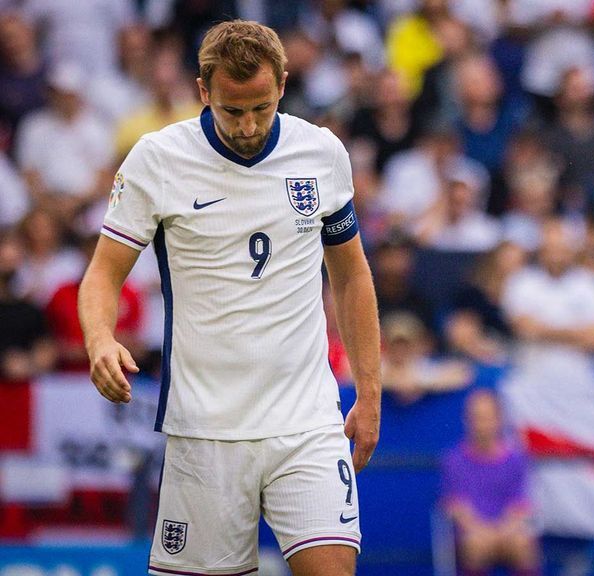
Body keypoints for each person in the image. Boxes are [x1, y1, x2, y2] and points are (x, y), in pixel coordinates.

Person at [77, 21, 381, 576]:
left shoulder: (321, 154)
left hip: (307, 421)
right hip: (205, 429)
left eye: (261, 108)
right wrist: (99, 340)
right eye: (232, 110)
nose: (247, 126)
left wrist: (370, 390)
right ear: (203, 91)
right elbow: (102, 274)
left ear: (284, 84)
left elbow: (352, 276)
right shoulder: (157, 159)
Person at [440, 388, 540, 576]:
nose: (481, 424)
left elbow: (521, 504)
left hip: (508, 531)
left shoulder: (516, 459)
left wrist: (503, 531)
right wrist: (481, 531)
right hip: (472, 533)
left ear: (499, 419)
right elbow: (454, 505)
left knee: (522, 544)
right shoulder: (453, 460)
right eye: (475, 417)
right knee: (475, 545)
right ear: (466, 420)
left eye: (486, 417)